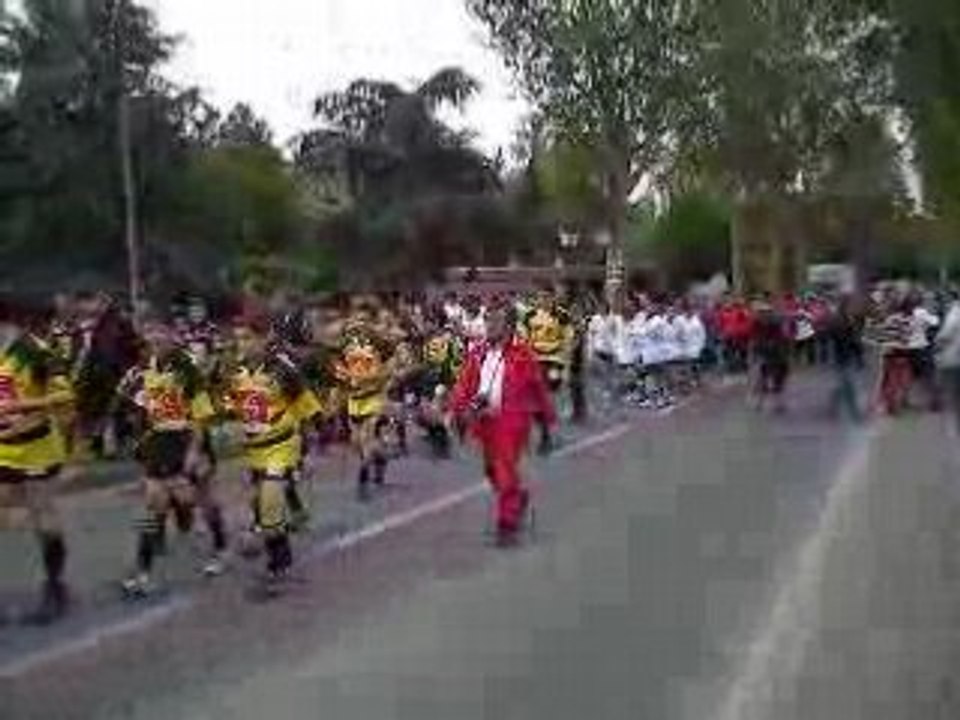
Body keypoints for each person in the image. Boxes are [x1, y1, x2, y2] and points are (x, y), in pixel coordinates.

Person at [118, 312, 219, 597]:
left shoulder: (187, 370)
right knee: (153, 505)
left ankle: (218, 547)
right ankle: (142, 572)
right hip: (158, 445)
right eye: (150, 337)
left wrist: (194, 450)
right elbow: (129, 400)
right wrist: (134, 423)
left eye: (161, 336)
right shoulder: (142, 369)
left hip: (185, 441)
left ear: (172, 338)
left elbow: (200, 417)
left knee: (197, 502)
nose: (156, 342)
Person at [221, 312, 323, 595]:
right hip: (255, 451)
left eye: (247, 337)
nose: (241, 344)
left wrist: (311, 452)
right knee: (264, 509)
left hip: (282, 447)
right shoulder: (237, 372)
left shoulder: (283, 368)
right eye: (237, 338)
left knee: (269, 503)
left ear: (264, 338)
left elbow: (310, 409)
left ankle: (276, 563)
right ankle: (280, 555)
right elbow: (233, 411)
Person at [448, 299, 556, 547]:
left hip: (511, 421)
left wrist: (546, 420)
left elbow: (537, 388)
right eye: (487, 320)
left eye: (494, 321)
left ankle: (506, 522)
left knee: (505, 470)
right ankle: (516, 497)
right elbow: (465, 384)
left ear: (508, 326)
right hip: (484, 421)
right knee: (490, 469)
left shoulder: (522, 355)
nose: (489, 325)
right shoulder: (478, 352)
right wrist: (457, 409)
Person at [0, 299, 74, 623]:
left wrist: (23, 405)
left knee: (43, 517)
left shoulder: (34, 350)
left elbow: (65, 395)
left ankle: (55, 588)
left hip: (38, 450)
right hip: (4, 449)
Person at [826, 296, 864, 422]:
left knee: (843, 385)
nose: (853, 307)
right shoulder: (841, 320)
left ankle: (834, 408)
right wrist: (858, 354)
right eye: (851, 305)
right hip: (843, 357)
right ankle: (855, 413)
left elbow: (854, 340)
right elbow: (850, 340)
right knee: (849, 386)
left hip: (844, 356)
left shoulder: (845, 319)